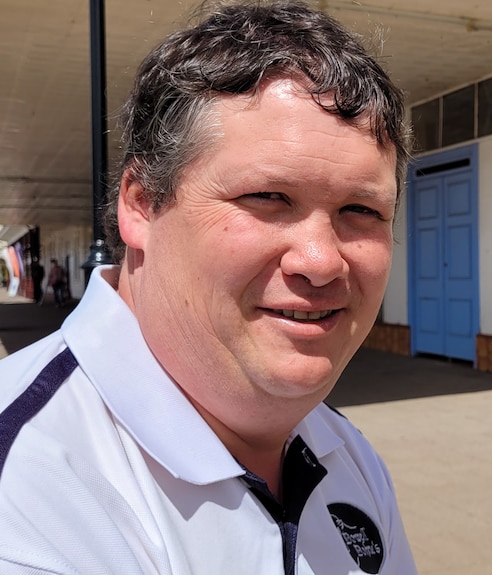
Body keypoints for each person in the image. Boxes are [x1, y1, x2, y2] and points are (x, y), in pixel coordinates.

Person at [0, 1, 417, 573]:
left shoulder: (349, 457)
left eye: (362, 210)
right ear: (141, 204)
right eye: (267, 198)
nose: (321, 262)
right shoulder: (26, 487)